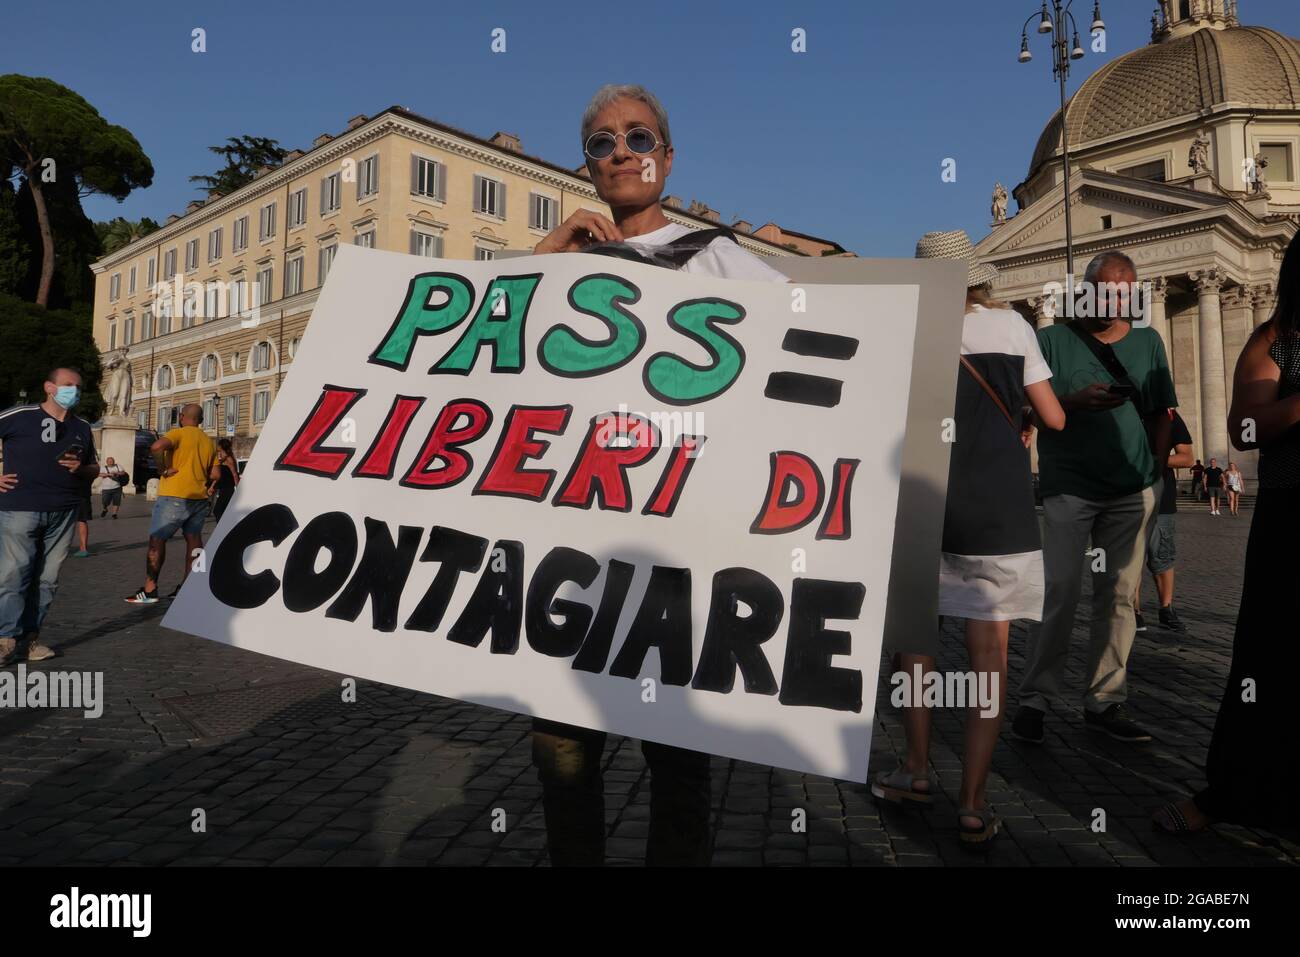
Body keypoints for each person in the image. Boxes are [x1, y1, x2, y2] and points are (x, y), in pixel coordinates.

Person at [526, 83, 787, 867]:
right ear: (590, 167)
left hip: (679, 540)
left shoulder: (718, 257)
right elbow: (487, 362)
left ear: (667, 157)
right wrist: (550, 256)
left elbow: (803, 358)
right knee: (561, 744)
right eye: (602, 143)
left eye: (638, 137)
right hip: (570, 538)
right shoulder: (564, 262)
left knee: (675, 755)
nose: (621, 153)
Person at [871, 231, 1065, 846]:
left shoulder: (907, 331)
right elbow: (1055, 417)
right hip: (999, 507)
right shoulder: (1013, 329)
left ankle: (915, 768)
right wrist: (1023, 417)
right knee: (989, 659)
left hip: (925, 501)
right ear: (978, 277)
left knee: (916, 648)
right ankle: (975, 803)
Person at [1153, 230, 1300, 838]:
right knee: (1269, 659)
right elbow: (1243, 427)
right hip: (1294, 521)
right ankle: (1231, 793)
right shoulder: (1278, 341)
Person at [1011, 251, 1177, 746]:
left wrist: (1156, 470)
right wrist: (1072, 403)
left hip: (1132, 488)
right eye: (1105, 291)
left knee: (1120, 597)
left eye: (1124, 294)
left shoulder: (1148, 342)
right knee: (1059, 592)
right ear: (1085, 289)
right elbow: (1027, 409)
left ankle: (1105, 701)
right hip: (1069, 486)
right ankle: (1035, 700)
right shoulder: (1049, 340)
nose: (1113, 302)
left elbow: (1162, 411)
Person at [0, 367, 100, 665]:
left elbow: (94, 467)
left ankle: (29, 640)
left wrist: (80, 469)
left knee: (47, 580)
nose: (75, 391)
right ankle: (4, 638)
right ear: (49, 387)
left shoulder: (81, 426)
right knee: (13, 574)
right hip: (20, 506)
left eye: (78, 387)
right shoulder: (20, 415)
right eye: (68, 385)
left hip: (64, 511)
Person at [124, 403, 216, 605]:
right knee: (194, 542)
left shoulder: (178, 433)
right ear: (200, 420)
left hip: (174, 495)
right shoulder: (209, 442)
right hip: (199, 498)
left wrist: (163, 469)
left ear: (182, 416)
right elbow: (215, 474)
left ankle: (150, 589)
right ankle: (189, 586)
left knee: (157, 541)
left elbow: (156, 446)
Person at [1134, 409, 1193, 634]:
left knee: (1162, 556)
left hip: (1162, 497)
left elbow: (1186, 457)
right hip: (1126, 496)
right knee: (1131, 559)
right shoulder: (1118, 411)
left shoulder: (1169, 416)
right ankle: (1134, 611)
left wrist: (1151, 460)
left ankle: (1166, 608)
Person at [208, 438, 239, 520]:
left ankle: (223, 530)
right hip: (223, 489)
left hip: (228, 489)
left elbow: (235, 474)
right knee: (220, 511)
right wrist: (212, 487)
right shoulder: (221, 460)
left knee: (218, 511)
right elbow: (218, 476)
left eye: (219, 447)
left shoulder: (229, 459)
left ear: (222, 447)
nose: (217, 449)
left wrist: (238, 489)